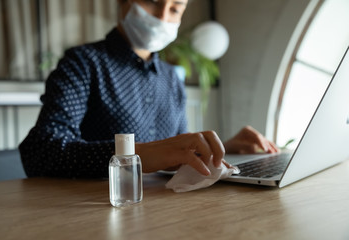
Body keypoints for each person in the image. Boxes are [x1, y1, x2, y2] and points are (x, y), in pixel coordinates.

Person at [19, 0, 279, 178]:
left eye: (175, 9)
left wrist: (221, 148)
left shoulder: (171, 78)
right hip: (99, 212)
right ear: (124, 1)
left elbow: (178, 156)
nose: (163, 17)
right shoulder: (83, 64)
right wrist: (136, 155)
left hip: (163, 211)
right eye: (153, 1)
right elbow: (41, 152)